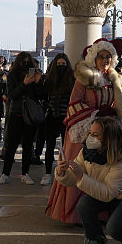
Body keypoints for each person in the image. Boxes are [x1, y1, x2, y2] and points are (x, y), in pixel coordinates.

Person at [45, 38, 122, 221]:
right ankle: (77, 214)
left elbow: (120, 104)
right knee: (80, 168)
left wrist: (118, 117)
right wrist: (96, 115)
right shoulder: (84, 78)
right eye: (101, 57)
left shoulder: (114, 79)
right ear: (94, 58)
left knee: (106, 172)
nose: (105, 60)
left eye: (108, 57)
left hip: (108, 132)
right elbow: (74, 104)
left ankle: (103, 214)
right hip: (84, 130)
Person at [0, 51, 46, 184]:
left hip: (29, 115)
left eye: (27, 62)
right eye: (23, 62)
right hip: (16, 114)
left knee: (28, 146)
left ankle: (25, 173)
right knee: (11, 145)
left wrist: (38, 81)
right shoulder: (12, 75)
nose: (25, 64)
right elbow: (12, 95)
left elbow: (41, 95)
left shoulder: (34, 76)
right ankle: (5, 173)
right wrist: (24, 83)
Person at [38, 52, 75, 185]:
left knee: (67, 147)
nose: (61, 66)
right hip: (52, 116)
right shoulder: (49, 79)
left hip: (66, 117)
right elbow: (42, 95)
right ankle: (48, 173)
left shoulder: (71, 78)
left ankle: (66, 173)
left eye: (63, 64)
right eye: (59, 64)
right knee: (50, 146)